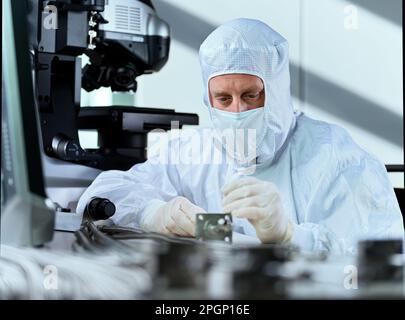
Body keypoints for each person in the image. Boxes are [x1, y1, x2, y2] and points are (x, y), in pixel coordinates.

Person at [77, 18, 403, 254]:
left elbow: (382, 261)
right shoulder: (192, 151)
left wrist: (290, 235)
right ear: (208, 98)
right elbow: (102, 195)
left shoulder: (334, 156)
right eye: (223, 99)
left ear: (275, 92)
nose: (236, 112)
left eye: (251, 96)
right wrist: (152, 213)